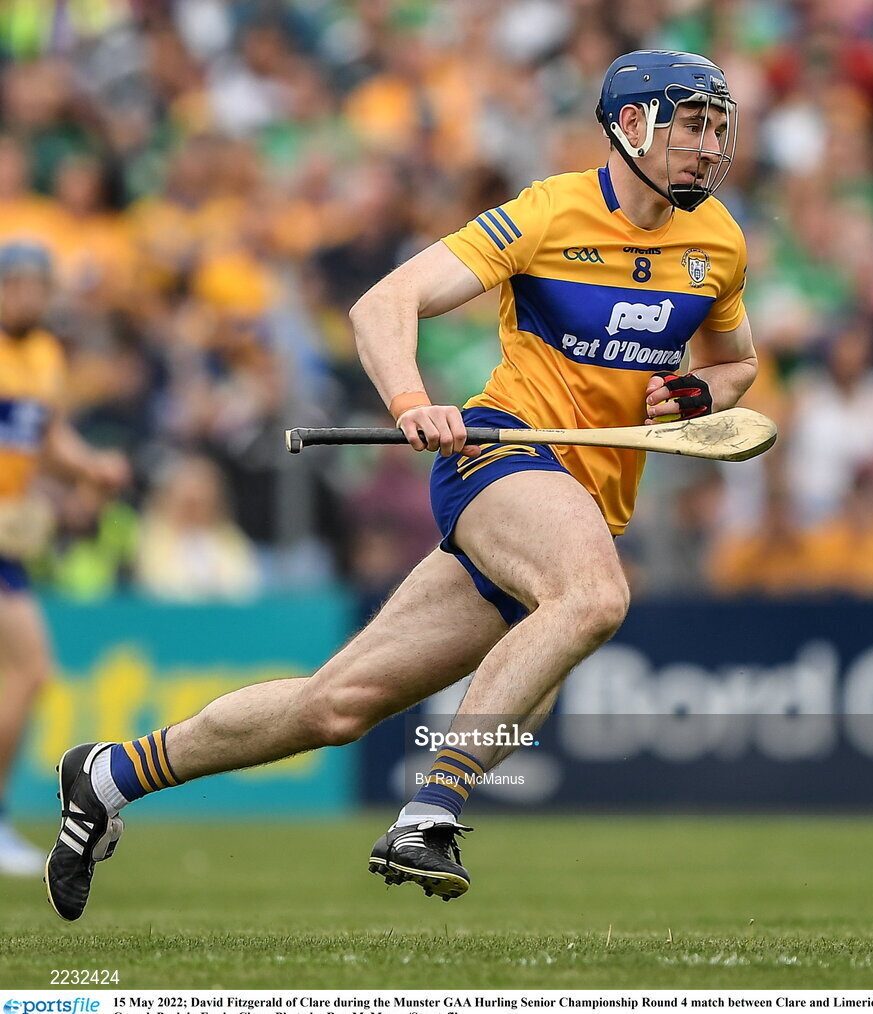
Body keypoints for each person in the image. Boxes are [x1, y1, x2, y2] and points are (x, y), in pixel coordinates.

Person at [45, 50, 757, 918]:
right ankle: (432, 812)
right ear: (634, 125)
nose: (712, 143)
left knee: (335, 705)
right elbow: (383, 304)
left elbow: (736, 368)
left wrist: (694, 390)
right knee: (594, 596)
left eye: (718, 125)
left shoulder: (718, 241)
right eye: (695, 124)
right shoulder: (548, 212)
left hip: (585, 501)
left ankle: (111, 774)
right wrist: (413, 400)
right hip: (505, 456)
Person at [0, 242, 129, 876]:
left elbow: (42, 436)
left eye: (35, 285)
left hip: (5, 544)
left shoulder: (44, 353)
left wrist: (90, 466)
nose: (25, 296)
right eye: (13, 285)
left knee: (29, 669)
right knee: (26, 666)